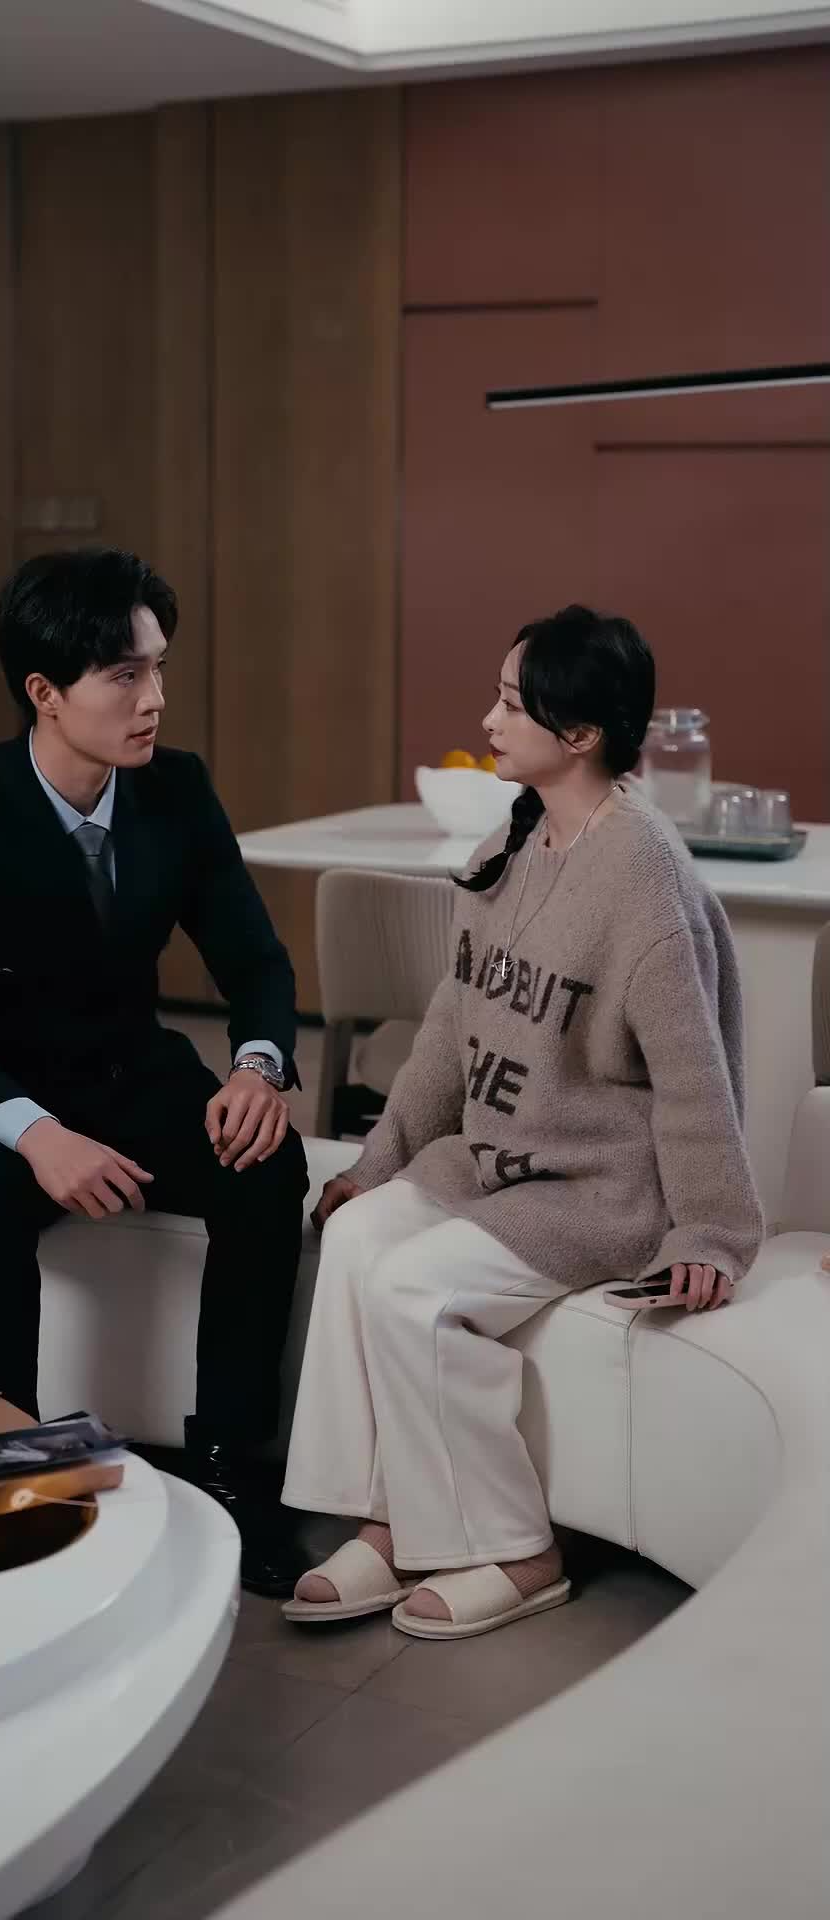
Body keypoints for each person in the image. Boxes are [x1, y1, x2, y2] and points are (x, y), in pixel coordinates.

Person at [281, 605, 763, 1637]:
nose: (488, 721)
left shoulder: (641, 876)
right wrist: (382, 1160)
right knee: (358, 1234)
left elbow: (695, 1074)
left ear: (578, 733)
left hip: (602, 1189)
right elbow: (448, 1027)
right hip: (502, 1163)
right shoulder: (515, 838)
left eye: (510, 704)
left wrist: (711, 1231)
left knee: (411, 1288)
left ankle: (514, 1547)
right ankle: (388, 1520)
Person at [0, 546, 310, 1596]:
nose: (154, 698)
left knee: (266, 1165)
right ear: (45, 692)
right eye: (124, 675)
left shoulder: (177, 790)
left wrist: (258, 1067)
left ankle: (229, 1462)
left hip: (130, 1072)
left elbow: (254, 960)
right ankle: (12, 1467)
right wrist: (36, 1134)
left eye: (157, 668)